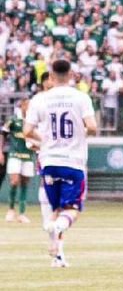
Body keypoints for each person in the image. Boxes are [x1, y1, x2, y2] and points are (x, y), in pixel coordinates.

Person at [23, 60, 98, 268]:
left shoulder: (39, 99)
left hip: (48, 162)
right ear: (71, 75)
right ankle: (55, 229)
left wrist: (46, 140)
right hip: (73, 162)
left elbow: (27, 131)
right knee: (72, 210)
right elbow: (92, 127)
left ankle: (57, 253)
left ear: (51, 76)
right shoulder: (81, 97)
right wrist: (78, 136)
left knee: (56, 209)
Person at [5, 98, 35, 223]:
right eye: (27, 105)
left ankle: (22, 213)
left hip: (28, 155)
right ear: (22, 106)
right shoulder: (13, 120)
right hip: (14, 154)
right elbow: (3, 133)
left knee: (25, 183)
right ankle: (11, 210)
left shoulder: (33, 121)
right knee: (14, 181)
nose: (29, 108)